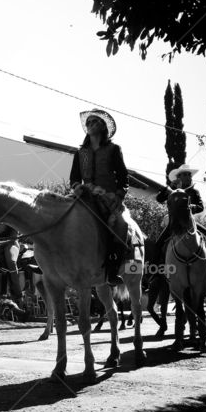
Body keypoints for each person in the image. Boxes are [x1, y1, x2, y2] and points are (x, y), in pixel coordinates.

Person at [69, 109, 129, 285]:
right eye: (88, 123)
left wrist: (119, 195)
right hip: (84, 196)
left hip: (108, 197)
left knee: (121, 224)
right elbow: (73, 178)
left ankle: (113, 269)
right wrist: (76, 186)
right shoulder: (80, 153)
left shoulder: (114, 149)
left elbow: (124, 177)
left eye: (94, 122)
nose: (90, 125)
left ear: (102, 127)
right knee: (59, 214)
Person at [153, 165, 206, 280]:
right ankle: (155, 274)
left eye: (189, 175)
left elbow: (200, 207)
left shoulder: (194, 192)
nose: (188, 177)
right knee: (158, 244)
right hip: (173, 224)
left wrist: (190, 206)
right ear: (178, 178)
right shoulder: (171, 191)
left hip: (190, 223)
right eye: (185, 175)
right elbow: (159, 199)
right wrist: (169, 186)